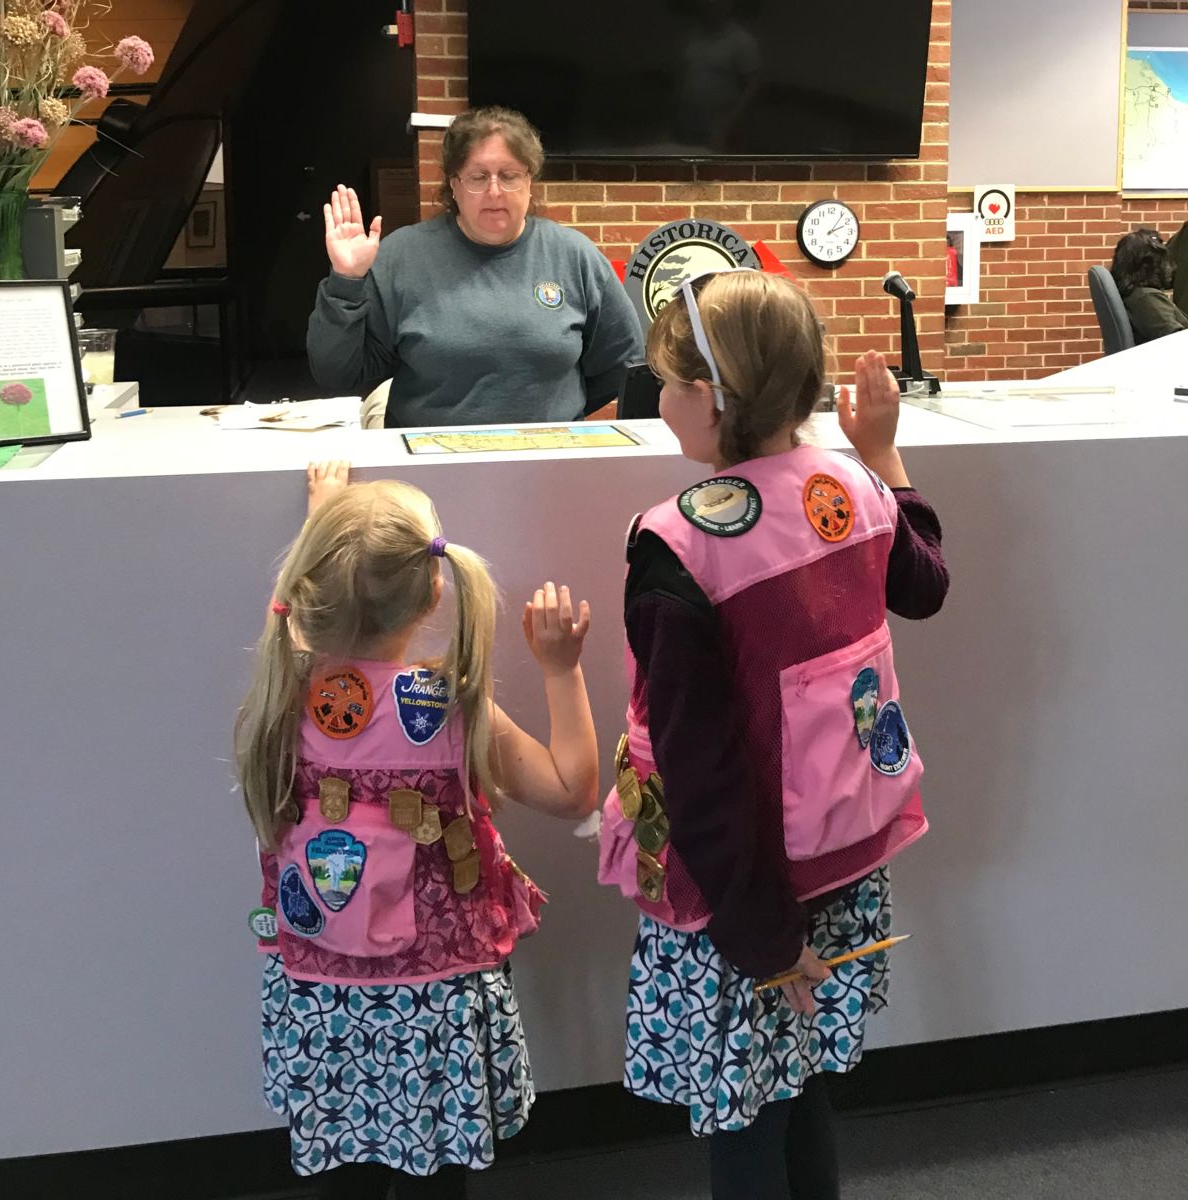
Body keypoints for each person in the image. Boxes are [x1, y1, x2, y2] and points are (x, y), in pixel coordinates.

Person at [597, 270, 950, 1199]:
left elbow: (699, 769)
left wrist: (759, 937)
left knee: (744, 1118)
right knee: (798, 1087)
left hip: (741, 897)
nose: (659, 398)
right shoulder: (852, 486)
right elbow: (925, 585)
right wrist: (885, 455)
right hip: (846, 858)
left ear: (709, 402)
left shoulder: (677, 547)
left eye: (666, 382)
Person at [235, 461, 599, 1197]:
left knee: (344, 1172)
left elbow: (322, 616)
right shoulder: (449, 706)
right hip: (437, 998)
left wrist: (329, 519)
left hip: (319, 990)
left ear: (314, 586)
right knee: (439, 1173)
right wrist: (561, 669)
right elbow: (571, 789)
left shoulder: (287, 690)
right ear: (437, 588)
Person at [306, 107, 644, 428]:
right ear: (454, 184)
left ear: (530, 181)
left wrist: (557, 414)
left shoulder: (574, 255)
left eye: (509, 176)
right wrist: (346, 281)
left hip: (547, 460)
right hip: (429, 464)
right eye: (477, 177)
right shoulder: (401, 257)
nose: (494, 191)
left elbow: (622, 362)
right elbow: (337, 373)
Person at [1109, 227, 1188, 344]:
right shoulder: (1147, 300)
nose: (1171, 268)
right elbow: (1177, 343)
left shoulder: (1135, 294)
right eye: (1163, 262)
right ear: (1148, 266)